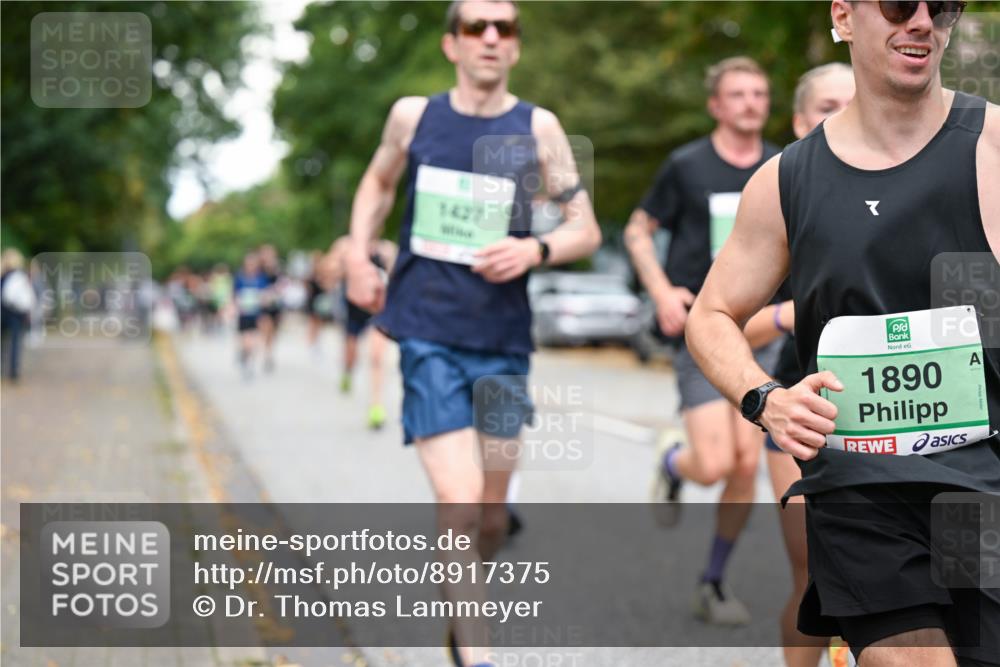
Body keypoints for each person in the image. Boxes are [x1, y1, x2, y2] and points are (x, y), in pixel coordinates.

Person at [686, 2, 998, 666]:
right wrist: (765, 398)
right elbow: (709, 316)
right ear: (844, 16)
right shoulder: (787, 180)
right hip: (858, 485)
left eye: (939, 6)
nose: (920, 21)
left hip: (981, 482)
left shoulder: (993, 144)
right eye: (895, 4)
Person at [344, 1, 601, 664]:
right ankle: (479, 654)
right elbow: (377, 181)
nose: (491, 37)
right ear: (451, 44)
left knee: (488, 514)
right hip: (426, 328)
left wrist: (534, 252)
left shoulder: (538, 126)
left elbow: (585, 227)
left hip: (504, 339)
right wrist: (356, 251)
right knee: (457, 502)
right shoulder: (414, 115)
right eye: (476, 27)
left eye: (504, 28)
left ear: (515, 46)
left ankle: (464, 618)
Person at [625, 56, 782, 625]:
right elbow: (638, 230)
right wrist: (662, 291)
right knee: (715, 464)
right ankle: (674, 462)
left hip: (764, 331)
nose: (750, 103)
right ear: (716, 105)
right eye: (737, 94)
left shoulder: (782, 166)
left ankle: (713, 580)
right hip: (704, 327)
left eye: (759, 93)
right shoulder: (686, 166)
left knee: (746, 467)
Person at [763, 62, 856, 667]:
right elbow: (724, 319)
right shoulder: (781, 193)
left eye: (852, 102)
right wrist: (797, 313)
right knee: (815, 575)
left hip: (889, 418)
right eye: (827, 105)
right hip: (800, 412)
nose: (843, 116)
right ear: (799, 121)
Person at [329, 235, 398, 429]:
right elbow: (328, 272)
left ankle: (376, 406)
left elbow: (397, 278)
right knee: (352, 355)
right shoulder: (345, 246)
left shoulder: (387, 248)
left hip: (378, 311)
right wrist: (345, 265)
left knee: (376, 358)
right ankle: (347, 371)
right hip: (353, 309)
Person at [233, 252, 269, 381]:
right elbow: (235, 295)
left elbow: (265, 294)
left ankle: (248, 362)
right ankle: (244, 357)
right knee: (245, 340)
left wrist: (263, 299)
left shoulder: (261, 278)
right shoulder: (240, 278)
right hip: (243, 314)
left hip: (256, 314)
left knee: (254, 340)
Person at [1, 249, 35, 382]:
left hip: (2, 312)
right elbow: (27, 297)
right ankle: (13, 371)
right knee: (15, 343)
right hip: (15, 313)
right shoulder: (19, 276)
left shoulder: (2, 275)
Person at [257, 244, 284, 373]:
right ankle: (265, 353)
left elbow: (283, 284)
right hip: (263, 305)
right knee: (265, 329)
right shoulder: (258, 270)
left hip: (276, 305)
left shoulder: (277, 269)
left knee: (273, 332)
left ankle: (269, 352)